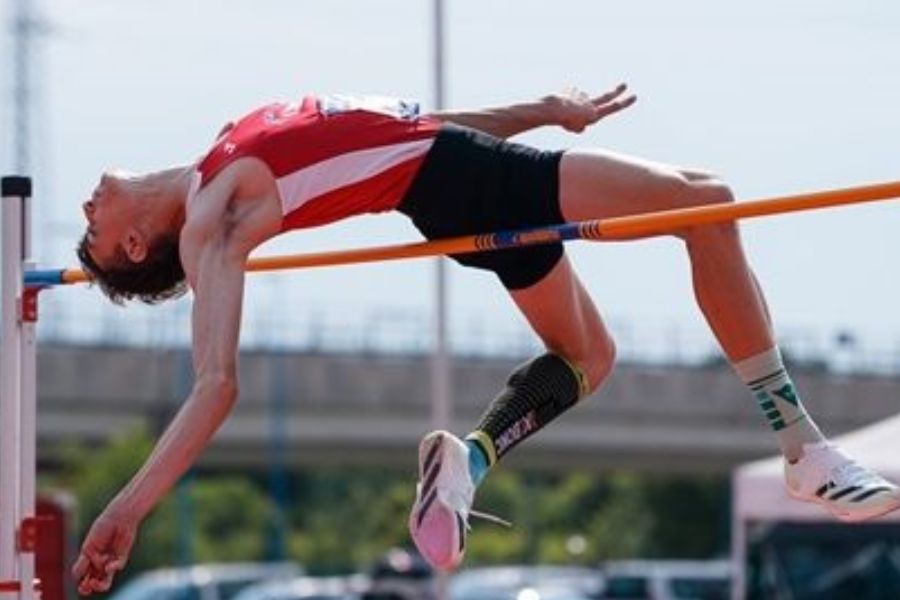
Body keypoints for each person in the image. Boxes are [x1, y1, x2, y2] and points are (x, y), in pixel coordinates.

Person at [71, 84, 900, 592]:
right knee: (709, 206)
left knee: (589, 359)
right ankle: (803, 447)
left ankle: (463, 464)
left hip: (453, 177)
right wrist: (127, 507)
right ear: (138, 248)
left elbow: (403, 126)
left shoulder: (223, 150)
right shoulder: (211, 222)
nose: (85, 209)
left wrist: (542, 111)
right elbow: (216, 385)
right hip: (465, 182)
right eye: (94, 234)